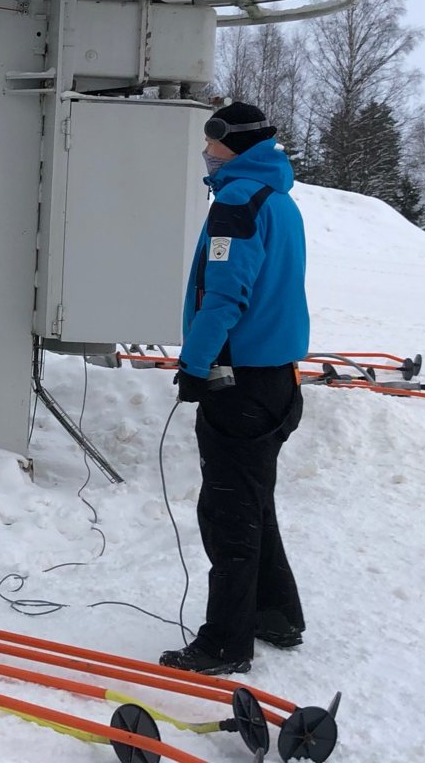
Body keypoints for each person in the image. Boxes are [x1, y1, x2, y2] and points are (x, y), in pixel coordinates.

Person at [162, 101, 310, 676]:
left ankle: (224, 643)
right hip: (276, 380)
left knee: (228, 512)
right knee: (252, 501)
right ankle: (275, 613)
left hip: (237, 381)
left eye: (212, 142)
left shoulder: (235, 199)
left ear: (233, 144)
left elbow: (224, 295)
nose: (206, 151)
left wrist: (195, 365)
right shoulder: (280, 200)